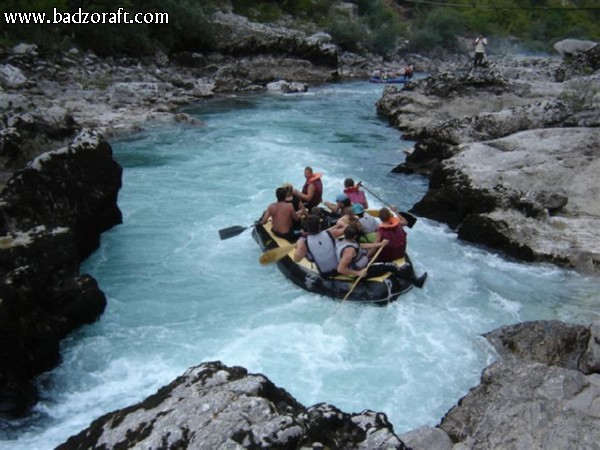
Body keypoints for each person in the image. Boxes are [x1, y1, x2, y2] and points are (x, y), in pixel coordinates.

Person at [337, 222, 427, 288]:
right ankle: (416, 282)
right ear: (355, 236)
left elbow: (361, 245)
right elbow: (340, 269)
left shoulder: (346, 241)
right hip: (361, 272)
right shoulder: (348, 252)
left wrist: (379, 244)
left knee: (382, 260)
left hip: (362, 263)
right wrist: (358, 273)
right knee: (392, 266)